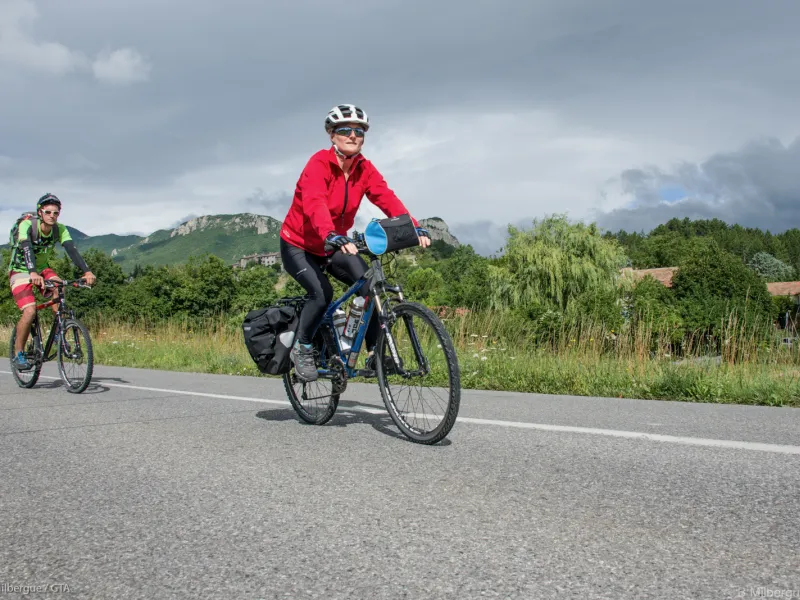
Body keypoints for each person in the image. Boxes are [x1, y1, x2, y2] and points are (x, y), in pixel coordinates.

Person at [280, 104, 431, 382]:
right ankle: (302, 347)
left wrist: (413, 226)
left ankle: (375, 353)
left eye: (359, 131)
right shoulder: (318, 164)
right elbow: (314, 203)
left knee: (368, 286)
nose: (352, 135)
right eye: (345, 130)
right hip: (299, 245)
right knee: (321, 294)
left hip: (333, 244)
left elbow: (386, 198)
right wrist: (329, 233)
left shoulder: (364, 168)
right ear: (331, 134)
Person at [7, 193, 96, 370]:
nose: (52, 216)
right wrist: (32, 272)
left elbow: (71, 250)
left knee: (59, 286)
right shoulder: (27, 225)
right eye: (48, 212)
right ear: (40, 212)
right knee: (30, 311)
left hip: (42, 269)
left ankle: (58, 332)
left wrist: (86, 271)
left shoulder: (60, 229)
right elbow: (27, 249)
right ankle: (18, 353)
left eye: (56, 213)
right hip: (20, 270)